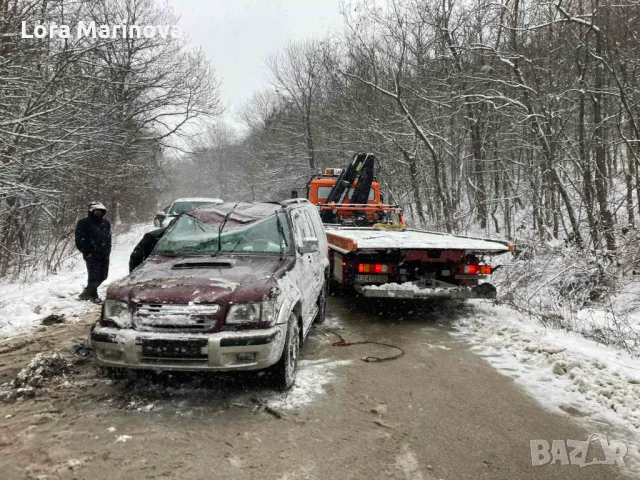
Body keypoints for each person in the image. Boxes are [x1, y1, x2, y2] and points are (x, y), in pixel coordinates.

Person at [75, 202, 111, 303]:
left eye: (100, 211)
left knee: (103, 275)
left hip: (104, 254)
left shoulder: (106, 223)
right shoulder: (83, 222)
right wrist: (87, 252)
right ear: (91, 211)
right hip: (91, 254)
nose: (98, 213)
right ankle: (93, 296)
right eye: (96, 211)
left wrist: (108, 250)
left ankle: (86, 293)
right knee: (93, 276)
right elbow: (79, 239)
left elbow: (108, 237)